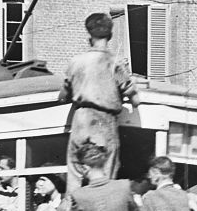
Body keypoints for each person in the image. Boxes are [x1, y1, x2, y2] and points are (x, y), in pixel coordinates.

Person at [59, 12, 140, 186]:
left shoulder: (75, 62)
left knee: (74, 177)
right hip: (104, 123)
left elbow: (62, 97)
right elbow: (135, 100)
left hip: (80, 122)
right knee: (105, 178)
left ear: (89, 36)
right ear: (110, 35)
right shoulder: (115, 62)